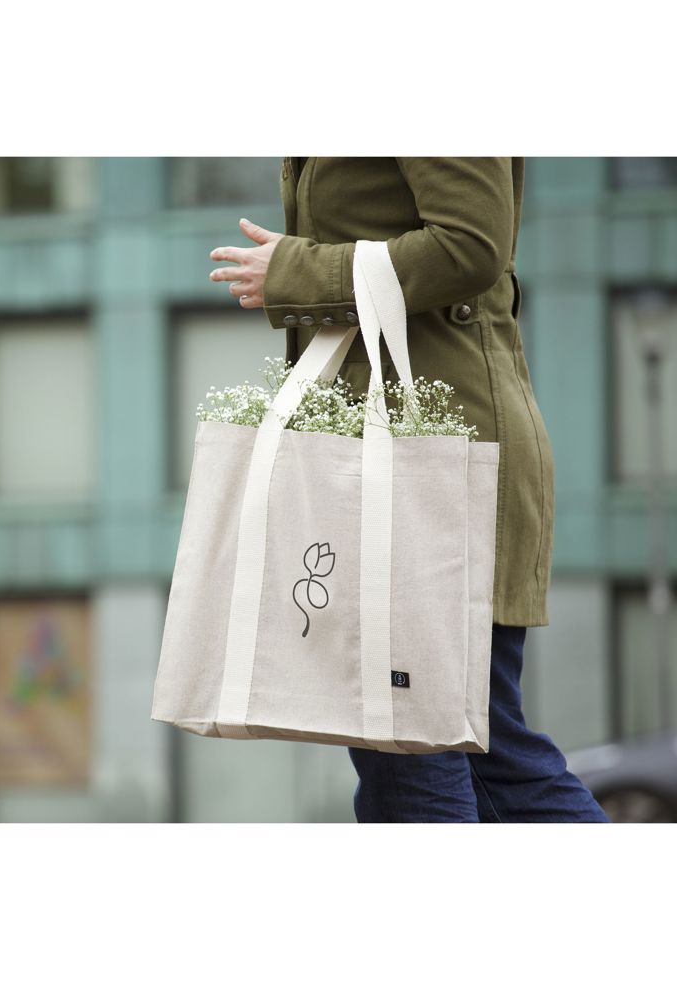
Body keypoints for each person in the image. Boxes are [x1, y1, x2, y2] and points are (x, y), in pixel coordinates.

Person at [207, 157, 609, 823]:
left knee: (414, 760)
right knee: (474, 756)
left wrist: (299, 271)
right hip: (405, 460)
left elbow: (470, 243)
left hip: (431, 468)